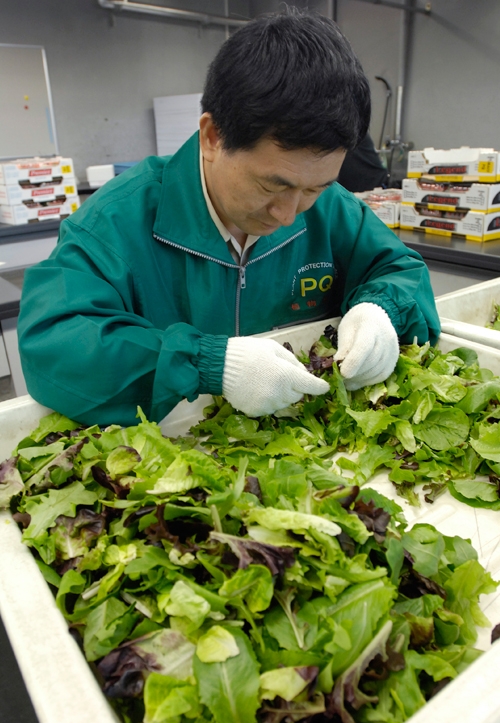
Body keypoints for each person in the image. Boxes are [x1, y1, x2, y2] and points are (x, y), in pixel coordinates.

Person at [17, 9, 440, 427]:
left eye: (314, 189)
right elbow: (53, 342)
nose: (289, 213)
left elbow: (399, 269)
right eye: (272, 186)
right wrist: (207, 364)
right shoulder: (115, 222)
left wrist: (381, 309)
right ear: (212, 137)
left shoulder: (331, 208)